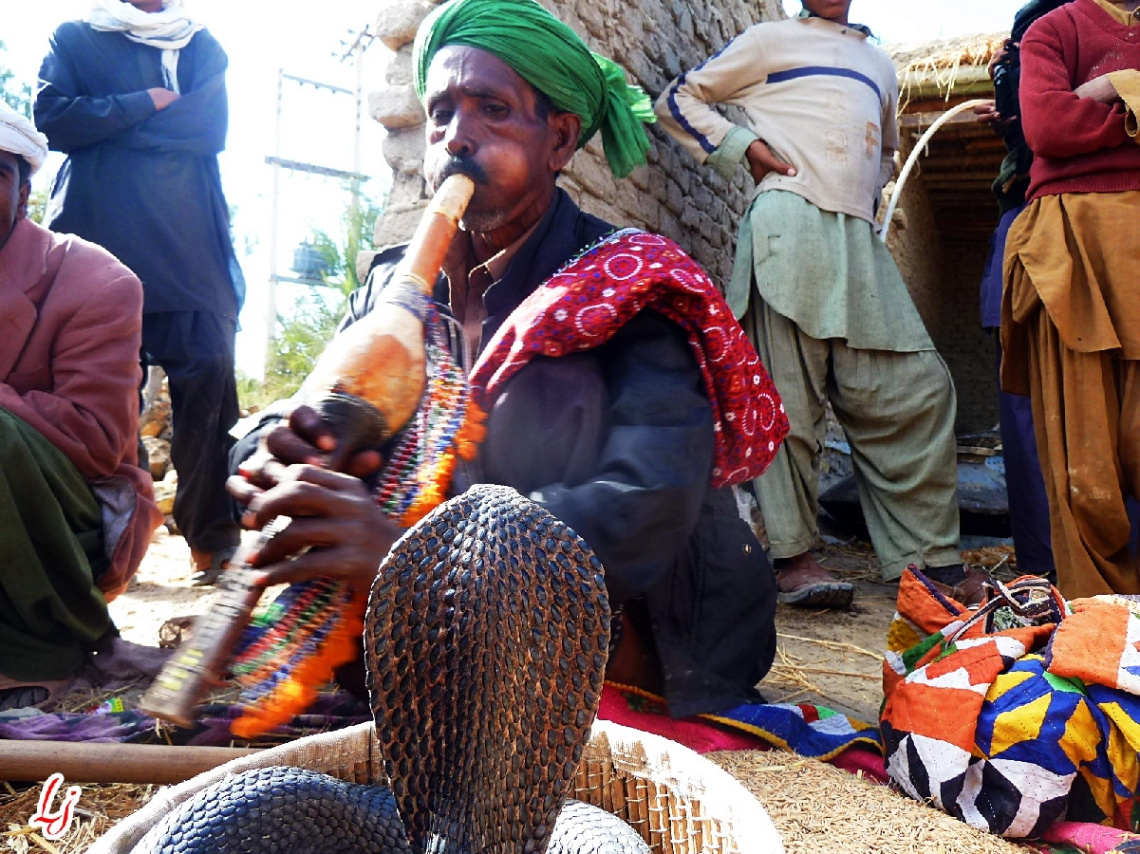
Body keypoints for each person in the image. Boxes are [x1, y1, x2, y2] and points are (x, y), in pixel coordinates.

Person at [229, 0, 786, 719]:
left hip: (640, 635)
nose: (456, 137)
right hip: (436, 627)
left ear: (558, 140)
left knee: (555, 393)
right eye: (440, 112)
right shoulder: (393, 284)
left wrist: (410, 552)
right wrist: (267, 457)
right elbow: (294, 412)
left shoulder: (636, 283)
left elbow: (646, 503)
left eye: (491, 109)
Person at [654, 0, 981, 607]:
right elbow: (678, 100)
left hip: (856, 233)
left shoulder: (878, 64)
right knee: (787, 398)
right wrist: (745, 148)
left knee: (915, 388)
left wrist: (866, 189)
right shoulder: (769, 40)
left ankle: (927, 563)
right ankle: (794, 559)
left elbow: (883, 152)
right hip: (790, 217)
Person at [34, 0, 244, 586]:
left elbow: (207, 129)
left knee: (209, 372)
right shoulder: (76, 35)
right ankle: (87, 554)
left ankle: (213, 541)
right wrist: (145, 102)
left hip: (188, 242)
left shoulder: (199, 43)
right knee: (95, 397)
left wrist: (106, 125)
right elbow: (53, 118)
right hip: (95, 239)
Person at [0, 103, 162, 709]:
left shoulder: (96, 279)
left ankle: (42, 654)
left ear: (23, 193)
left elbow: (97, 442)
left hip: (66, 527)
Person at [1001, 0, 1140, 599]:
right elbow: (1048, 127)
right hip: (1069, 239)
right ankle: (1098, 619)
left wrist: (1112, 87)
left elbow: (1070, 125)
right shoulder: (1052, 28)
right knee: (1081, 451)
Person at [973, 1, 1072, 582]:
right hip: (1030, 224)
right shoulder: (1042, 29)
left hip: (1072, 224)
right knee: (1029, 402)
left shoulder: (1057, 30)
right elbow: (1046, 132)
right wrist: (1018, 125)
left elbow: (1055, 128)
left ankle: (1062, 575)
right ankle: (1047, 577)